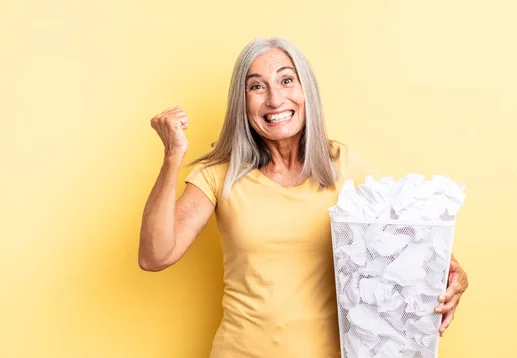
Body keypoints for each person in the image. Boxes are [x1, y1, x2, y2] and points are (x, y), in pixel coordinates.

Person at [138, 37, 468, 358]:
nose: (274, 99)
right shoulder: (218, 175)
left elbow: (417, 248)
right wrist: (172, 155)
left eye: (286, 80)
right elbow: (155, 256)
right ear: (242, 102)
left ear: (306, 90)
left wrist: (455, 277)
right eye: (256, 86)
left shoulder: (345, 166)